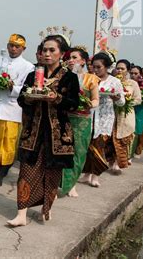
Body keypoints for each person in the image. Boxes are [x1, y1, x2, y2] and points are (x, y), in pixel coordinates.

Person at [8, 35, 79, 227]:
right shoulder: (33, 74)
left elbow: (74, 104)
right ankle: (21, 214)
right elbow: (22, 99)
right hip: (33, 132)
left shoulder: (70, 78)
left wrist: (55, 97)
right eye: (44, 50)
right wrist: (31, 97)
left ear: (61, 54)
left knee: (52, 174)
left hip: (58, 134)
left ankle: (45, 208)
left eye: (52, 50)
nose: (47, 54)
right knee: (26, 171)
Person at [0, 34, 35, 186]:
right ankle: (4, 164)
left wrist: (11, 86)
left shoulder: (28, 67)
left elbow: (25, 89)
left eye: (17, 46)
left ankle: (3, 170)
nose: (13, 49)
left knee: (8, 140)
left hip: (12, 108)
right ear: (7, 46)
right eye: (11, 45)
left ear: (23, 49)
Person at [60, 47, 99, 197]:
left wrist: (91, 104)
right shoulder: (63, 76)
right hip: (65, 117)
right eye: (69, 57)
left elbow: (96, 99)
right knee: (63, 151)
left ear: (83, 61)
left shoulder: (90, 78)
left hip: (82, 119)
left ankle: (71, 183)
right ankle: (60, 182)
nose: (71, 60)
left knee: (79, 152)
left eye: (74, 57)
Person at [82, 52, 125, 187]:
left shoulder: (115, 81)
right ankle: (87, 174)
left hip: (104, 119)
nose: (95, 70)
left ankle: (96, 176)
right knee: (88, 146)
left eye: (98, 67)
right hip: (89, 116)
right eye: (93, 67)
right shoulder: (88, 79)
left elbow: (122, 102)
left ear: (106, 67)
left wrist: (116, 98)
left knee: (99, 146)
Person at [105, 60, 141, 172]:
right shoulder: (111, 81)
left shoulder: (133, 84)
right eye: (118, 68)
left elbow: (138, 99)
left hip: (125, 115)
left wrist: (127, 102)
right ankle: (110, 162)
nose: (119, 70)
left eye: (122, 69)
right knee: (109, 139)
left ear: (128, 70)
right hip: (111, 114)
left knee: (122, 139)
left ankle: (117, 163)